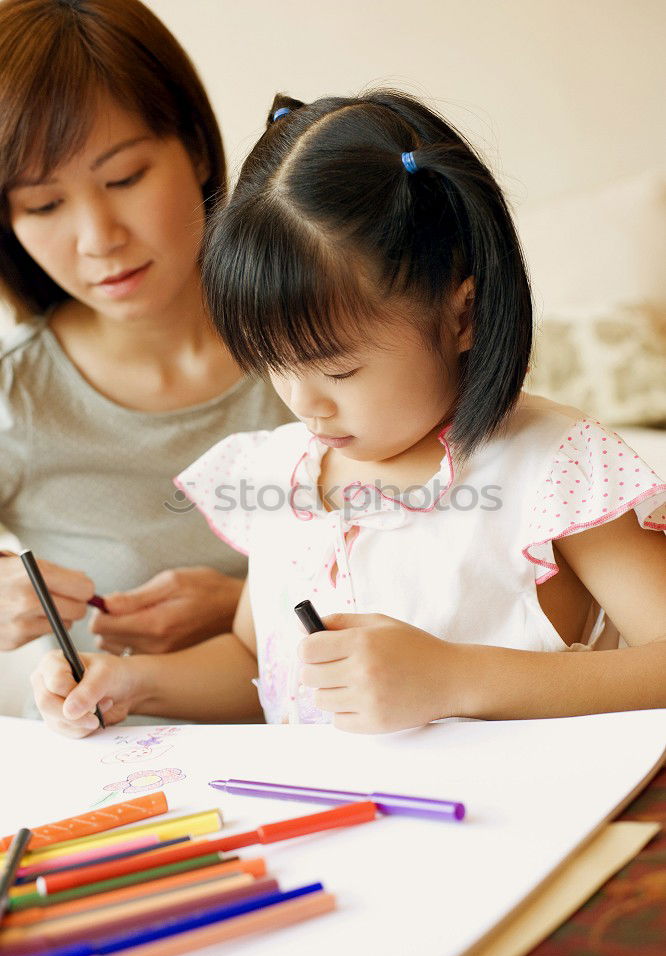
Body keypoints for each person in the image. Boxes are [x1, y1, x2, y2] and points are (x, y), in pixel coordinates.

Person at [31, 90, 666, 738]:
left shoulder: (554, 469)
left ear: (463, 314)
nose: (304, 402)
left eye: (339, 369)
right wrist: (134, 681)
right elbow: (259, 660)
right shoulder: (283, 474)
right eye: (274, 364)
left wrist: (454, 677)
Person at [0, 0, 291, 694]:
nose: (98, 237)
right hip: (114, 773)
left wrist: (244, 609)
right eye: (44, 206)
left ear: (194, 147)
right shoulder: (16, 396)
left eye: (124, 178)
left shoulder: (321, 345)